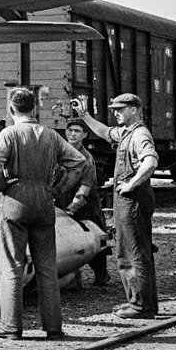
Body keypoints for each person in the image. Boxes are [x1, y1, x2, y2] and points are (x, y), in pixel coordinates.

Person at [0, 88, 87, 339]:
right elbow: (78, 162)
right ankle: (53, 327)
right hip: (44, 200)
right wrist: (57, 189)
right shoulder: (51, 135)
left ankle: (10, 327)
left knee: (11, 264)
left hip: (16, 199)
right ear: (34, 109)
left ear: (11, 109)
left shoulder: (9, 134)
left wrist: (2, 185)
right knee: (47, 266)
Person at [73, 93, 160, 319]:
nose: (115, 113)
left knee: (132, 252)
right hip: (130, 201)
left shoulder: (140, 134)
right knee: (136, 250)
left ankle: (140, 305)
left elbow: (150, 161)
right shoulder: (127, 132)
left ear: (134, 109)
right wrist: (85, 116)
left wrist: (131, 183)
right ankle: (143, 303)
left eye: (120, 109)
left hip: (133, 201)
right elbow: (105, 132)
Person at [54, 117, 112, 287]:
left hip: (86, 202)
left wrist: (73, 207)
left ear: (84, 135)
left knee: (95, 236)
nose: (72, 134)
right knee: (66, 238)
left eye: (77, 131)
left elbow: (85, 188)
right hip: (63, 195)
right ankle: (74, 277)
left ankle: (102, 276)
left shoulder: (87, 159)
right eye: (70, 130)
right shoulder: (60, 153)